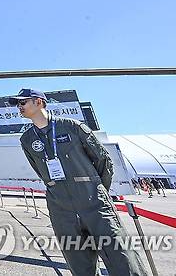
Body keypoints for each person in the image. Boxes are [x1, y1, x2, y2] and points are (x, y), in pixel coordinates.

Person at [12, 88, 148, 276]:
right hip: (61, 208)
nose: (19, 107)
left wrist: (95, 190)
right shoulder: (26, 139)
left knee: (122, 260)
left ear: (38, 102)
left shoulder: (72, 127)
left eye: (22, 102)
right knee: (79, 264)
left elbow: (103, 161)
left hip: (94, 203)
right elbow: (41, 171)